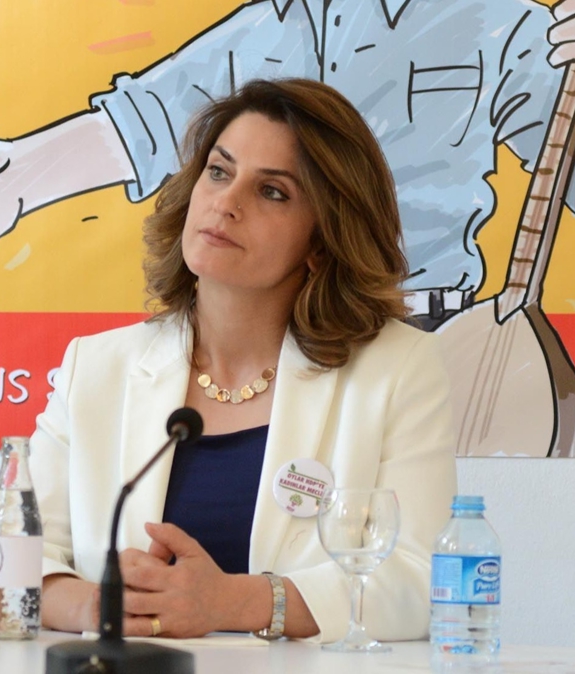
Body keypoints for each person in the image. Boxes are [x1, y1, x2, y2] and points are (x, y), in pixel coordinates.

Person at [0, 0, 575, 328]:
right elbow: (146, 121)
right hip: (275, 341)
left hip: (429, 339)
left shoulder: (499, 21)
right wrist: (22, 176)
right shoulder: (280, 21)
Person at [29, 79, 456, 642]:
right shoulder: (95, 367)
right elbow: (12, 561)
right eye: (218, 171)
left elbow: (420, 582)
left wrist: (233, 602)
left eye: (272, 192)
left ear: (321, 241)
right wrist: (98, 608)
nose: (226, 203)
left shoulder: (397, 370)